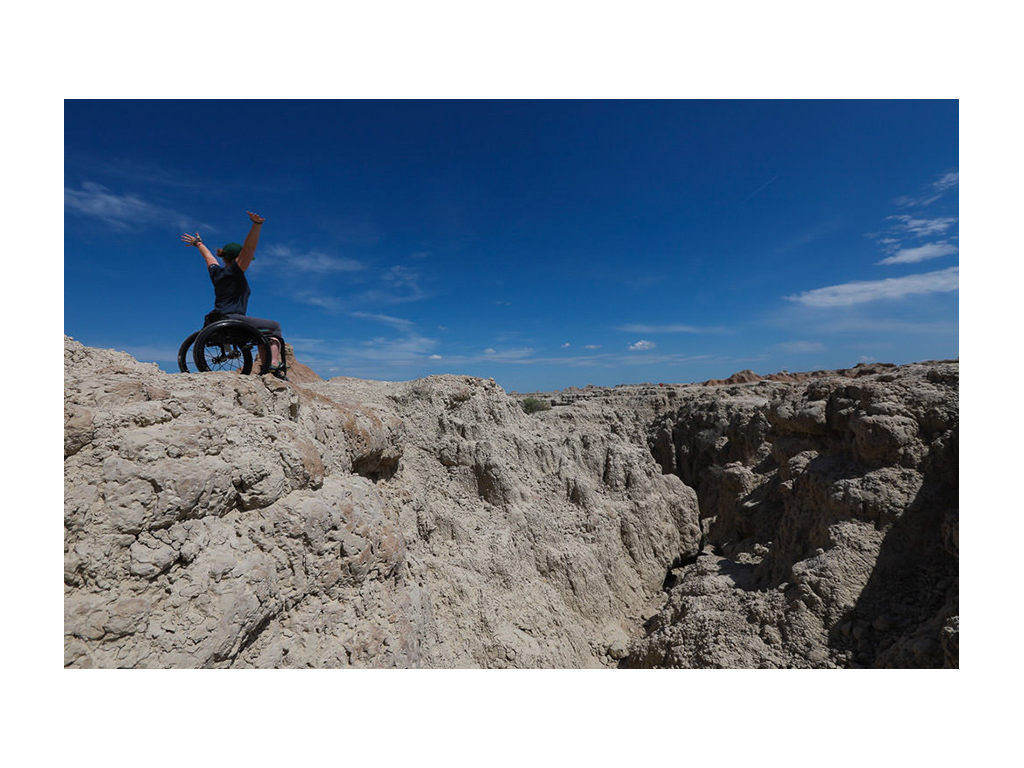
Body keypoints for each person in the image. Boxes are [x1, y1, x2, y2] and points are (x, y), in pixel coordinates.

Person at [181, 211, 287, 379]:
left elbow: (209, 257)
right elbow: (249, 249)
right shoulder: (234, 272)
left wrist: (198, 243)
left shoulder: (216, 273)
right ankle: (273, 364)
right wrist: (256, 225)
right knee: (274, 327)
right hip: (234, 318)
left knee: (262, 330)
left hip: (218, 317)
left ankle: (265, 364)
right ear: (237, 259)